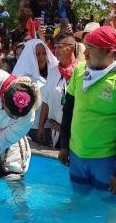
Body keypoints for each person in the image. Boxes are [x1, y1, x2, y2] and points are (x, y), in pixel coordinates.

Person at [58, 26, 116, 197]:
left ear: (110, 52)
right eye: (85, 47)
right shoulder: (80, 70)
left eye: (91, 48)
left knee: (107, 207)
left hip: (105, 160)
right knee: (78, 199)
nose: (85, 53)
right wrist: (64, 145)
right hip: (76, 156)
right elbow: (68, 110)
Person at [13, 39, 58, 145]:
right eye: (37, 54)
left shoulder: (55, 71)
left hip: (55, 126)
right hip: (34, 126)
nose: (42, 58)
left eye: (44, 53)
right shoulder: (22, 77)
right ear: (30, 56)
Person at [37, 33, 78, 148]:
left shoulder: (82, 72)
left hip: (75, 134)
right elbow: (46, 100)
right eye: (55, 47)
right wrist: (41, 126)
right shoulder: (54, 71)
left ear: (72, 47)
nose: (56, 50)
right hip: (55, 132)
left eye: (60, 47)